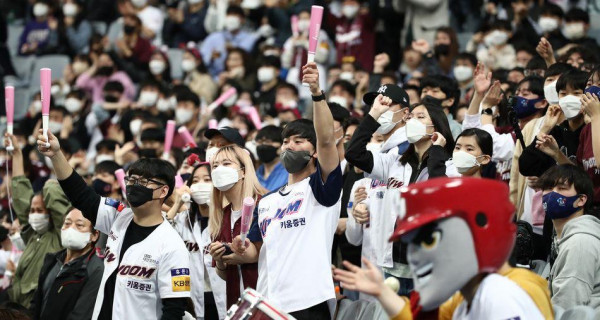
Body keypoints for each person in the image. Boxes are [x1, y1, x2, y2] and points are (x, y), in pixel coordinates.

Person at [334, 177, 544, 319]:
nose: (416, 256)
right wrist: (382, 292)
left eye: (429, 241)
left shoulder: (508, 292)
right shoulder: (459, 292)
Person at [37, 130, 191, 320]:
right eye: (131, 180)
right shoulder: (119, 216)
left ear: (163, 191)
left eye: (144, 181)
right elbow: (81, 195)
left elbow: (174, 309)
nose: (135, 186)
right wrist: (56, 155)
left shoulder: (172, 245)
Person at [231, 62, 342, 319]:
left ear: (314, 152)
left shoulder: (321, 187)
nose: (289, 147)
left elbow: (326, 138)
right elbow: (255, 251)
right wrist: (240, 248)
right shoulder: (267, 202)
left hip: (309, 300)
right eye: (285, 142)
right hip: (269, 302)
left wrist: (316, 92)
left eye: (298, 141)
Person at [4, 134, 70, 309]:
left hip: (36, 309)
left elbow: (54, 196)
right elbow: (20, 193)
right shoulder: (33, 233)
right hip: (17, 304)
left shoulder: (59, 234)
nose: (34, 215)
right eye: (32, 211)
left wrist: (49, 184)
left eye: (40, 211)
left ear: (51, 214)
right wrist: (17, 155)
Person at [206, 145, 266, 308]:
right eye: (215, 166)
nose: (219, 170)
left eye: (226, 164)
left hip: (266, 304)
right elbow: (224, 275)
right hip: (237, 307)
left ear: (244, 171)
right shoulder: (220, 216)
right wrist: (219, 261)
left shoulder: (267, 205)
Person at [168, 162, 227, 320]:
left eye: (207, 180)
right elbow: (161, 236)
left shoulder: (228, 218)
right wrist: (178, 202)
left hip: (224, 294)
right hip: (193, 296)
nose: (200, 185)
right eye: (195, 181)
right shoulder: (183, 220)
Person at [537, 164, 600, 310]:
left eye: (561, 188)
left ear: (581, 200)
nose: (552, 194)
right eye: (548, 188)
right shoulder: (564, 238)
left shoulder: (580, 243)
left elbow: (567, 306)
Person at [31, 208, 103, 320]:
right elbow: (36, 302)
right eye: (67, 223)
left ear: (94, 235)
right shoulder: (52, 260)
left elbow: (81, 315)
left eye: (79, 225)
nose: (71, 229)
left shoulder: (96, 269)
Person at [200, 5, 259, 77]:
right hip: (215, 76)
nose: (231, 19)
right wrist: (211, 57)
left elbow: (245, 55)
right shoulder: (214, 37)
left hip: (239, 77)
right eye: (229, 15)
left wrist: (232, 49)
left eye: (235, 16)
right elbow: (202, 58)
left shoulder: (250, 38)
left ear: (243, 20)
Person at [254, 126, 288, 192]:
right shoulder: (256, 173)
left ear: (281, 145)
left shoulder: (289, 173)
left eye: (267, 142)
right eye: (260, 142)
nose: (263, 145)